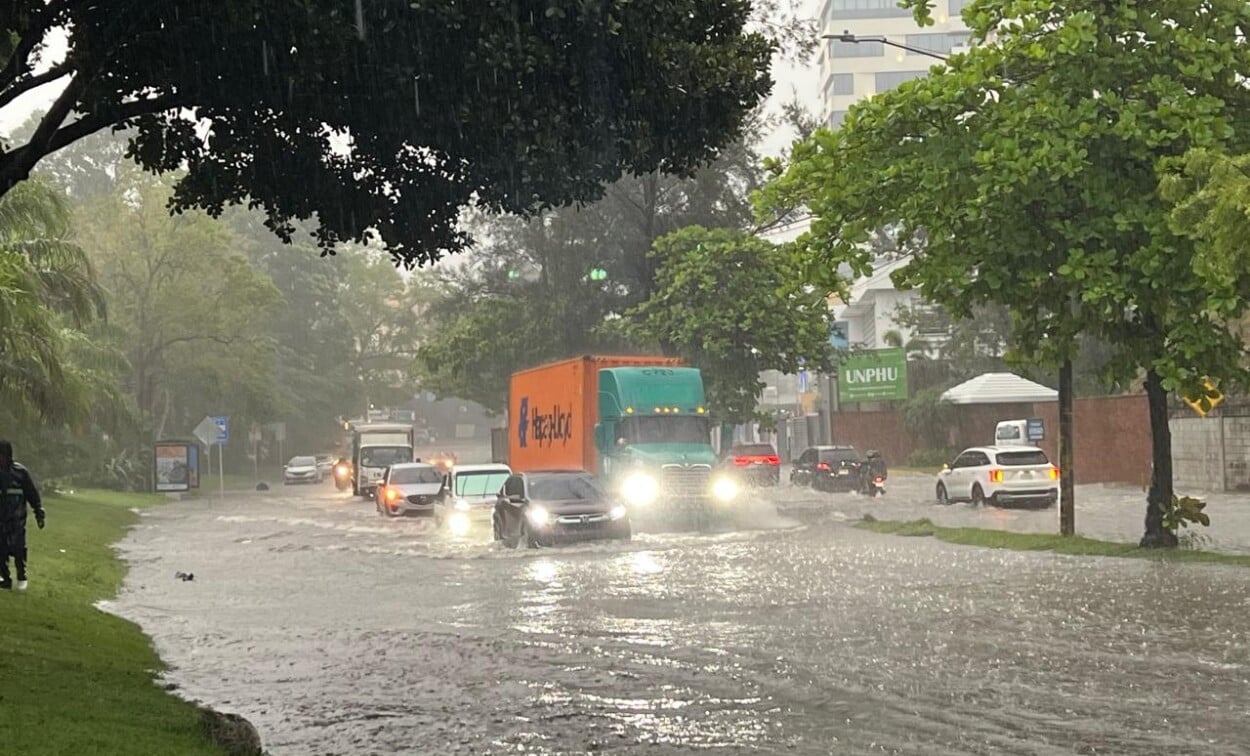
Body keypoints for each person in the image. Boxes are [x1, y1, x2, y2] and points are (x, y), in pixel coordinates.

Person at [0, 440, 45, 591]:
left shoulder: (20, 473)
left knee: (19, 549)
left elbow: (32, 494)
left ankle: (21, 575)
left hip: (17, 519)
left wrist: (39, 512)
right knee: (1, 551)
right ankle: (5, 579)